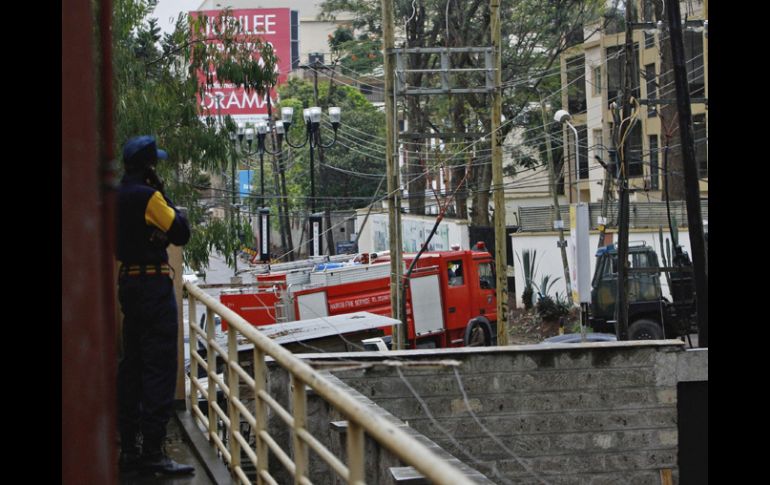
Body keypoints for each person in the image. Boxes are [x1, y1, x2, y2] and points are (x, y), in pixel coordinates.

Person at [116, 135, 194, 475]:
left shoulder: (116, 195)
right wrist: (163, 196)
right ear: (149, 165)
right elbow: (181, 232)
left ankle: (129, 450)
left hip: (128, 284)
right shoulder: (149, 197)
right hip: (153, 288)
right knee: (159, 367)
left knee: (132, 366)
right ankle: (153, 452)